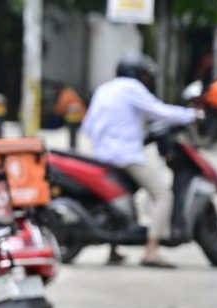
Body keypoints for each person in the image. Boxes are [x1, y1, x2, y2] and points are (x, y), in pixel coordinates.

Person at [81, 52, 197, 268]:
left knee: (121, 196)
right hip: (124, 156)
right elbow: (158, 111)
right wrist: (191, 115)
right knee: (163, 194)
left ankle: (114, 250)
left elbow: (87, 126)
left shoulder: (104, 89)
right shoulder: (131, 88)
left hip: (102, 156)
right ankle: (152, 251)